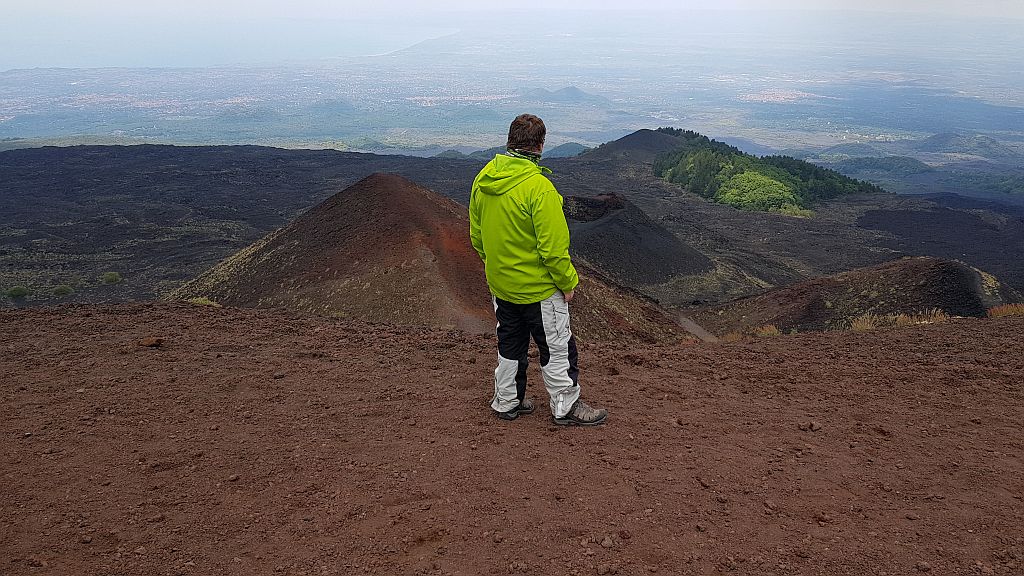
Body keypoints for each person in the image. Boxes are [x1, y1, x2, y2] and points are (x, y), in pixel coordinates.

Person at [469, 113, 608, 426]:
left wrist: (497, 267)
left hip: (502, 286)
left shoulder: (484, 179)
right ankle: (566, 406)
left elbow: (477, 235)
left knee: (510, 346)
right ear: (540, 145)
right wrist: (567, 283)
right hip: (539, 290)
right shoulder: (539, 188)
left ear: (510, 140)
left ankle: (507, 401)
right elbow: (553, 250)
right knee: (557, 348)